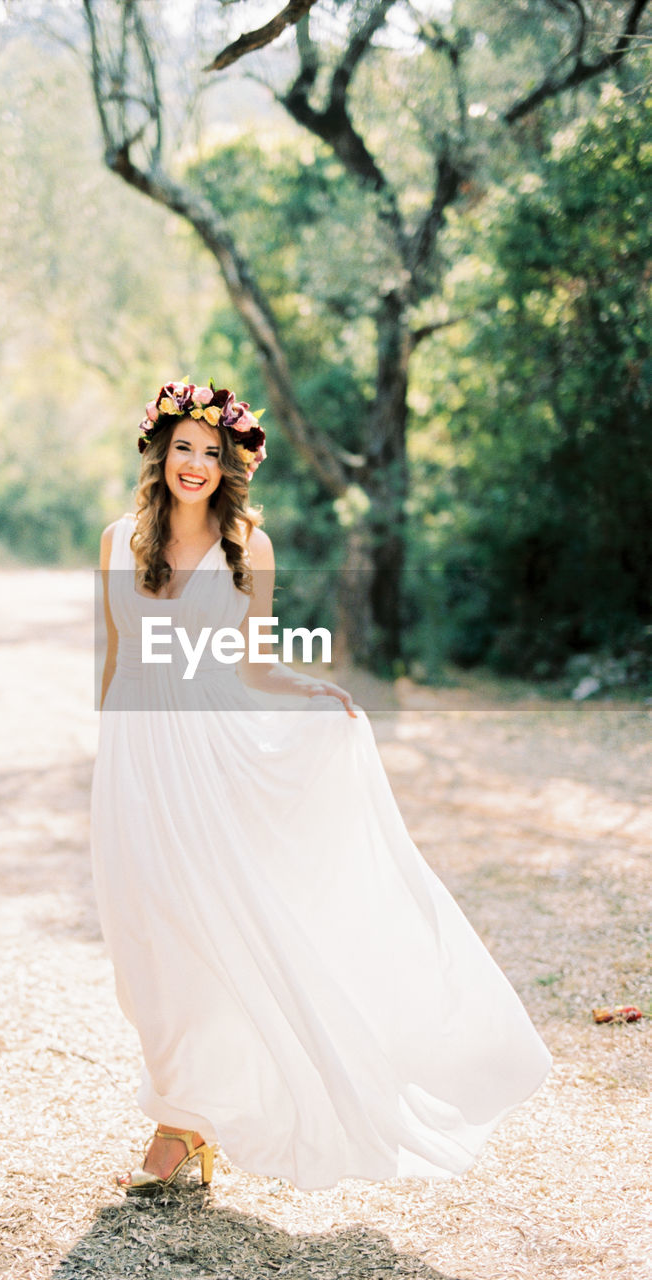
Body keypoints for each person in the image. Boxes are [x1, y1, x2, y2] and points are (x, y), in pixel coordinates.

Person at [90, 379, 551, 1195]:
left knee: (212, 934)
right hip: (136, 766)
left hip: (214, 761)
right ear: (159, 453)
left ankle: (180, 1127)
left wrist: (312, 693)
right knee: (144, 950)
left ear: (231, 465)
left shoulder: (247, 548)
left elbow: (252, 664)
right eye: (183, 448)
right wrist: (105, 750)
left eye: (212, 451)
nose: (195, 464)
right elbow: (113, 657)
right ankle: (188, 1114)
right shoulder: (118, 538)